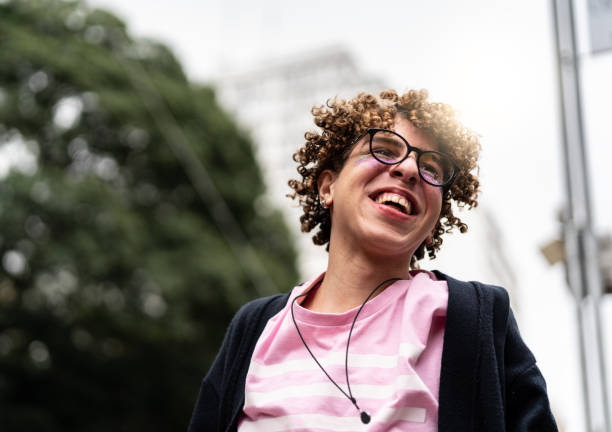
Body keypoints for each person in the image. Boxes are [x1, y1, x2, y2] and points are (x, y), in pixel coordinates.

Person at [188, 89, 558, 431]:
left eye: (432, 169)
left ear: (433, 223)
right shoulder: (255, 329)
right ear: (327, 186)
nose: (411, 170)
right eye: (384, 148)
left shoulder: (475, 318)